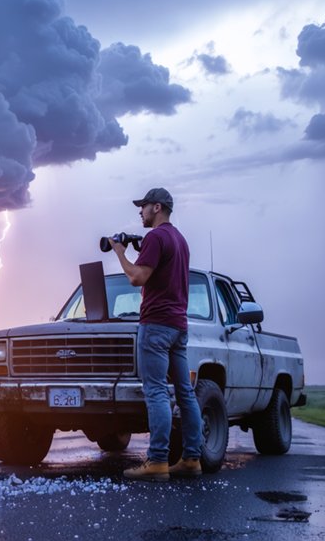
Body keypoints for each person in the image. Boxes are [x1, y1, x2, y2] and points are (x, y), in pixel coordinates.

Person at [108, 187, 204, 481]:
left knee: (156, 391)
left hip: (156, 326)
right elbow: (161, 269)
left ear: (158, 208)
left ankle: (158, 461)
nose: (140, 211)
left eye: (144, 206)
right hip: (178, 325)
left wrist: (121, 253)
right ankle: (191, 459)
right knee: (186, 394)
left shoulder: (156, 237)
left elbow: (137, 277)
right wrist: (141, 251)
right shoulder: (179, 239)